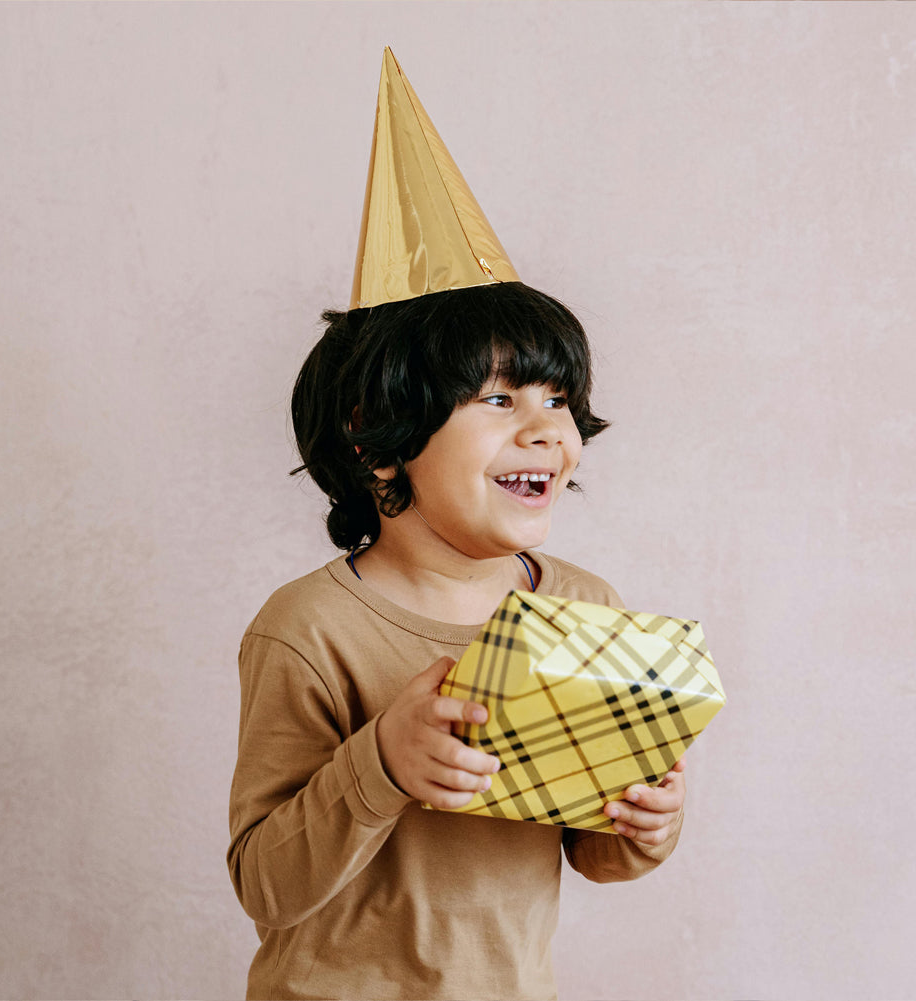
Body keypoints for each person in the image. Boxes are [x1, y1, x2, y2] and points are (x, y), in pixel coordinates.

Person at [227, 50, 685, 1000]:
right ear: (378, 439)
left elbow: (593, 853)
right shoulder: (309, 632)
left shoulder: (584, 609)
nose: (544, 428)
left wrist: (645, 821)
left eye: (559, 400)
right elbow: (266, 886)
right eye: (497, 397)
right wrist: (382, 761)